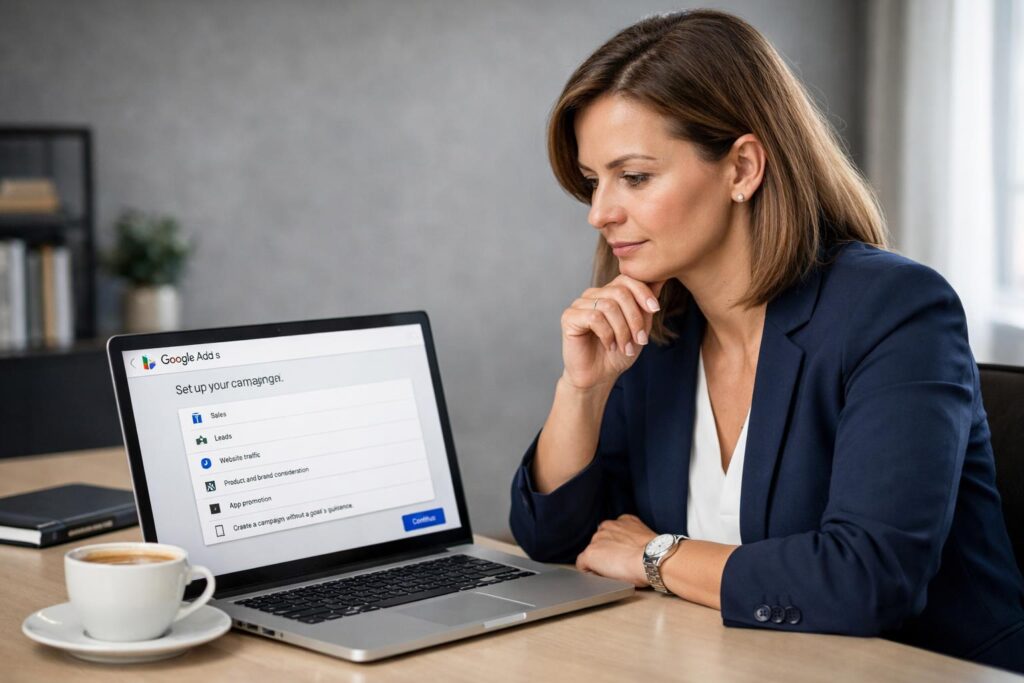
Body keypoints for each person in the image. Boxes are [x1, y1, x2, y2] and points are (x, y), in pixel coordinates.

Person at [508, 9, 1024, 673]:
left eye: (633, 177)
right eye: (593, 180)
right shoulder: (655, 323)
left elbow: (867, 580)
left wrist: (655, 555)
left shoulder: (896, 311)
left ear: (742, 167)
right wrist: (583, 390)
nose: (598, 211)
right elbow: (556, 542)